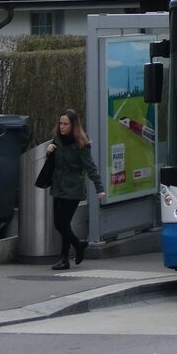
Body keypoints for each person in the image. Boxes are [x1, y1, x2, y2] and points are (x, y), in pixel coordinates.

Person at [45, 108, 105, 270]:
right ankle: (78, 245)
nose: (62, 126)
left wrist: (99, 187)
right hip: (58, 185)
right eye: (60, 123)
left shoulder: (81, 144)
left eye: (65, 124)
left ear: (73, 125)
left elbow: (90, 167)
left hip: (73, 187)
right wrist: (49, 152)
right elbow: (53, 163)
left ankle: (65, 257)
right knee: (59, 224)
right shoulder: (57, 140)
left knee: (63, 223)